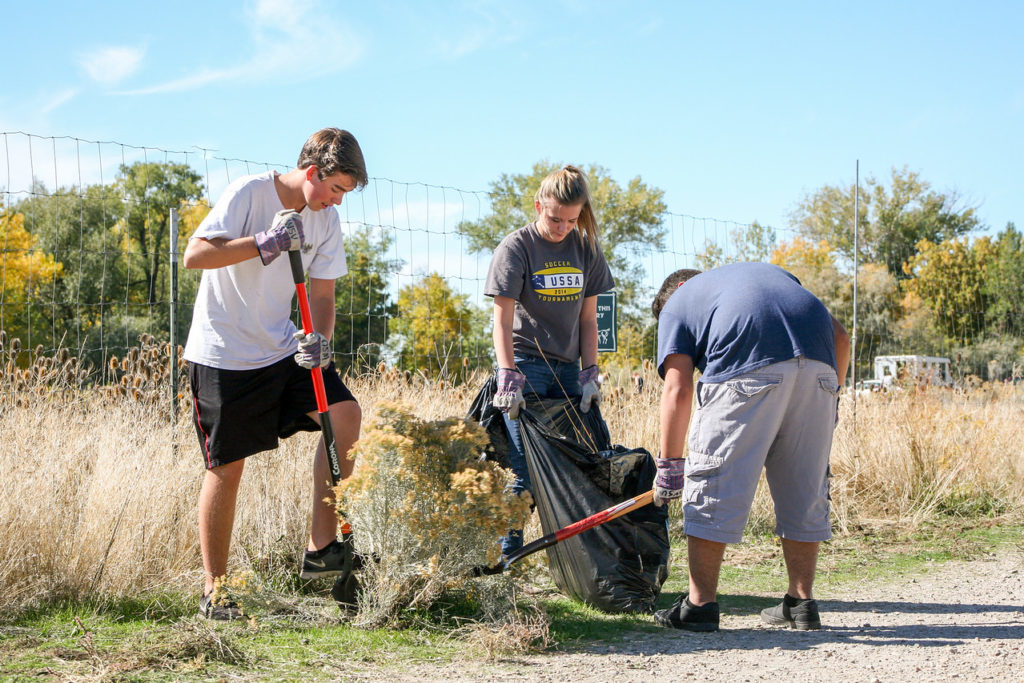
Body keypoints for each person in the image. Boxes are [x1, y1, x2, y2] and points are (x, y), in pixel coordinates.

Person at [183, 128, 367, 619]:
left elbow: (322, 296)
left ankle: (320, 549)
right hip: (224, 354)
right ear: (312, 173)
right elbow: (195, 255)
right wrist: (263, 242)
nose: (337, 203)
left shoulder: (326, 222)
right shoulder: (248, 193)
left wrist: (320, 343)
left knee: (345, 414)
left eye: (345, 195)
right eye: (335, 191)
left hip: (284, 349)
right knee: (227, 468)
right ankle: (215, 593)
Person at [650, 263, 850, 632]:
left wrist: (670, 464)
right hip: (821, 372)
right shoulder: (766, 276)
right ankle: (801, 603)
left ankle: (700, 607)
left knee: (713, 482)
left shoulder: (677, 303)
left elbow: (677, 389)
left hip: (746, 371)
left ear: (676, 288)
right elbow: (841, 337)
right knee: (803, 488)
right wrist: (831, 398)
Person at [483, 165, 615, 557]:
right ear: (539, 205)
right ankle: (508, 557)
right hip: (526, 368)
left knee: (576, 464)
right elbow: (502, 320)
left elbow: (589, 320)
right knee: (523, 469)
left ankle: (578, 559)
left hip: (568, 371)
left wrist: (589, 373)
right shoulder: (516, 247)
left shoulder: (586, 248)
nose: (562, 228)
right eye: (555, 218)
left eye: (571, 220)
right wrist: (508, 374)